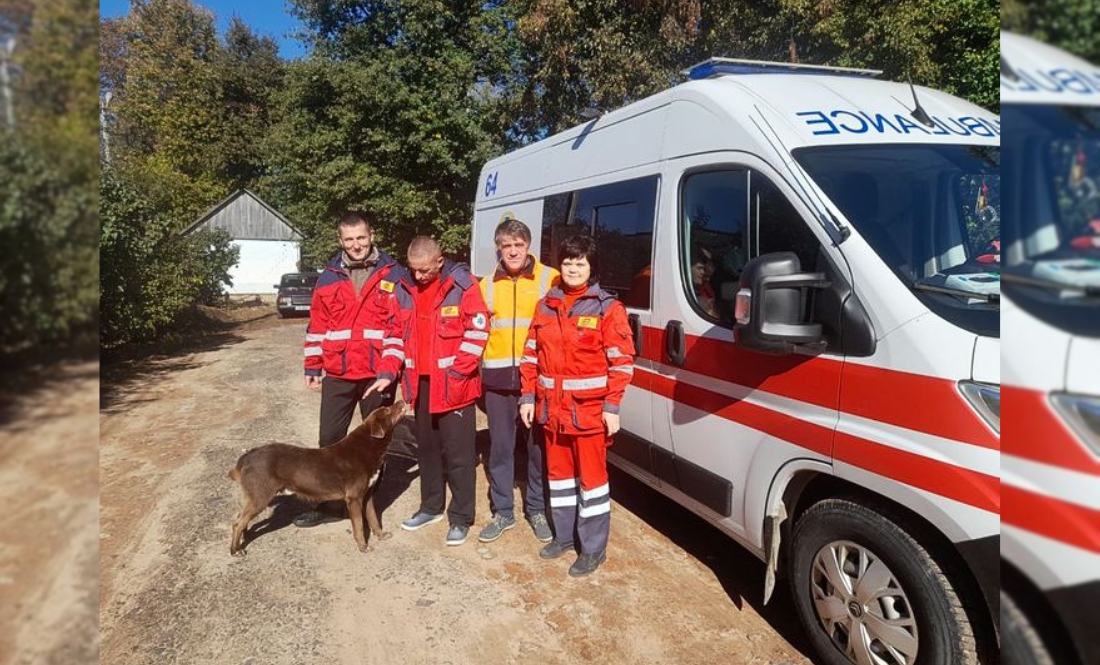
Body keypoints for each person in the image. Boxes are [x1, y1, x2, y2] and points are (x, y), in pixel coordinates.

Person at [519, 234, 636, 576]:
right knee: (559, 479)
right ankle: (565, 537)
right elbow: (530, 356)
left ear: (592, 267)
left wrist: (612, 407)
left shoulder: (607, 309)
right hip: (551, 413)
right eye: (567, 262)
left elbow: (622, 364)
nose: (572, 268)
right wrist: (528, 397)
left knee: (593, 484)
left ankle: (593, 548)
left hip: (587, 414)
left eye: (580, 262)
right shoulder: (546, 305)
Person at [299, 211, 407, 528]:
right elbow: (317, 326)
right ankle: (326, 506)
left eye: (361, 237)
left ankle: (369, 505)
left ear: (371, 235)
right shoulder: (329, 276)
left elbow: (397, 330)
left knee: (376, 443)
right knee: (329, 440)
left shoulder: (394, 274)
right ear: (340, 241)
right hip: (340, 373)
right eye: (349, 239)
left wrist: (388, 371)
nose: (356, 245)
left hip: (378, 375)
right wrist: (312, 364)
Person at [397, 236, 489, 546]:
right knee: (427, 451)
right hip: (420, 385)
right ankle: (430, 507)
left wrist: (456, 372)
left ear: (439, 261)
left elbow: (478, 332)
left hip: (455, 386)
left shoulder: (462, 286)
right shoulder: (404, 288)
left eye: (425, 270)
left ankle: (461, 517)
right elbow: (397, 331)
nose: (419, 276)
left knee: (460, 456)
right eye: (414, 270)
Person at [476, 218, 559, 545]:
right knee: (500, 448)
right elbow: (477, 332)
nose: (512, 251)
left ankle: (536, 509)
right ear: (499, 247)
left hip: (537, 380)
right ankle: (504, 511)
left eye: (518, 245)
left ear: (528, 246)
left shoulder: (550, 278)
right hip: (497, 382)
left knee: (538, 449)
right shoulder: (485, 285)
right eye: (506, 246)